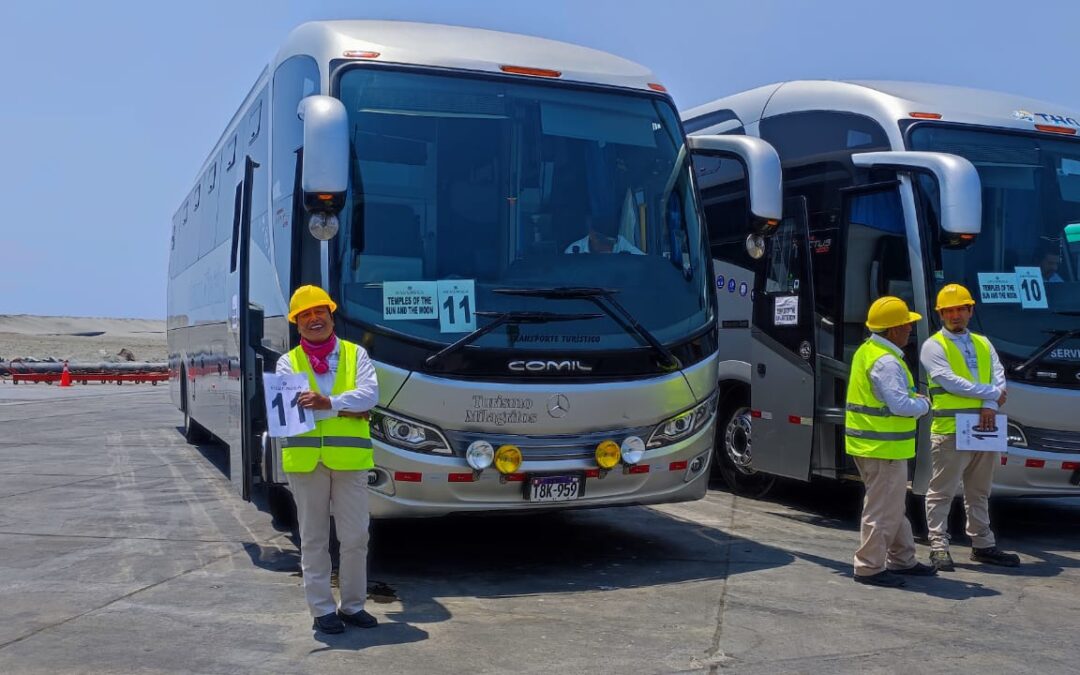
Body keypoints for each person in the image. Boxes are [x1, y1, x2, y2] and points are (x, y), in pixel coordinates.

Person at [276, 285, 380, 634]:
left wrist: (327, 403)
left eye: (319, 311)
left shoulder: (356, 355)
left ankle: (353, 606)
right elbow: (289, 413)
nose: (313, 319)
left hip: (350, 461)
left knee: (355, 537)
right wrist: (350, 410)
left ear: (331, 316)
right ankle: (322, 610)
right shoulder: (287, 362)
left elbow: (371, 395)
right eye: (304, 315)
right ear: (296, 323)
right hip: (306, 463)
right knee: (314, 538)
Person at [920, 284, 1020, 571]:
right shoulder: (933, 346)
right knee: (942, 491)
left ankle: (983, 544)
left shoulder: (982, 342)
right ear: (940, 314)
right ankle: (938, 546)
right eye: (948, 310)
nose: (955, 315)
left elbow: (999, 376)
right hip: (951, 429)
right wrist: (989, 393)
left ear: (970, 310)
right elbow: (950, 381)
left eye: (960, 309)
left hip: (984, 426)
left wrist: (991, 404)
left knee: (979, 491)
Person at [846, 296, 938, 588]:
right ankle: (869, 567)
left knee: (891, 505)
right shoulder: (887, 362)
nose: (910, 328)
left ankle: (903, 559)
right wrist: (923, 404)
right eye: (906, 323)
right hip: (883, 448)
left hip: (874, 446)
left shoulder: (870, 351)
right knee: (883, 509)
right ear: (893, 329)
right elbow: (899, 405)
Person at [564, 214, 644, 254]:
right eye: (603, 242)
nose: (608, 249)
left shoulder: (621, 244)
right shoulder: (574, 251)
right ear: (591, 235)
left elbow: (644, 263)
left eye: (611, 244)